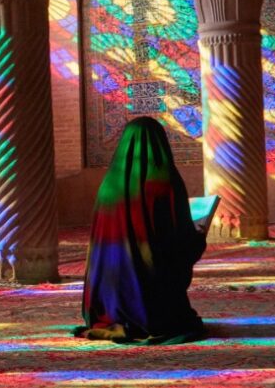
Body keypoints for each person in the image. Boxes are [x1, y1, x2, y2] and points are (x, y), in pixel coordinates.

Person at [76, 116, 208, 344]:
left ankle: (112, 313)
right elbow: (178, 241)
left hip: (108, 295)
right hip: (152, 302)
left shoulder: (109, 185)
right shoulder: (164, 181)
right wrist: (198, 235)